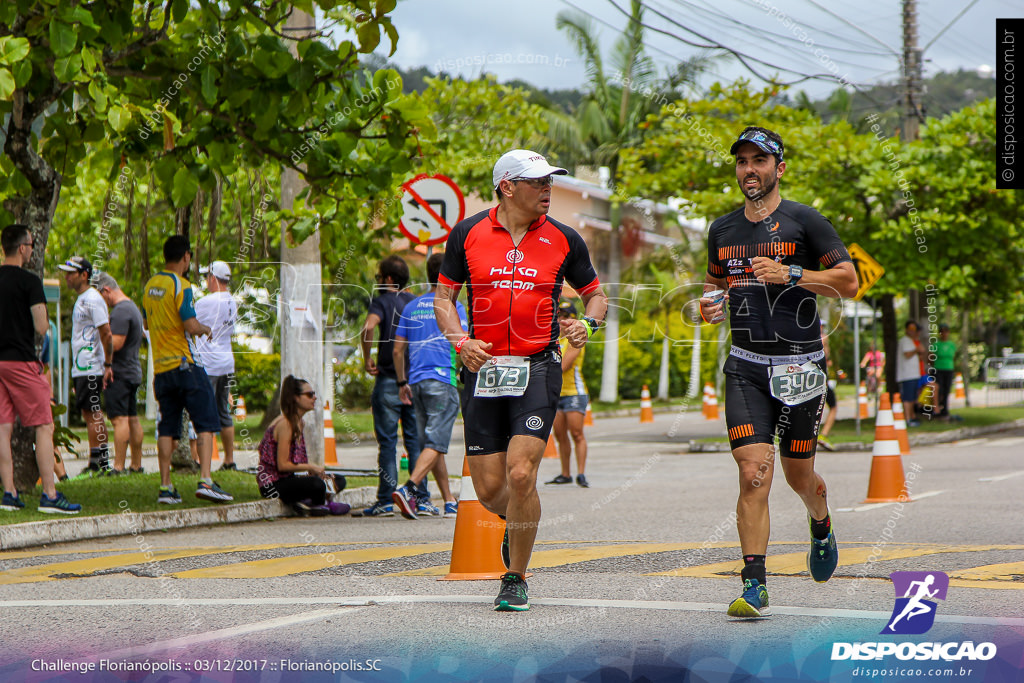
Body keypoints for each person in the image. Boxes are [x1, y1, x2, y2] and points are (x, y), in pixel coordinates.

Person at [435, 149, 608, 611]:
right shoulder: (468, 233)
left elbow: (597, 298)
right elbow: (443, 299)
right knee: (492, 488)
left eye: (551, 181)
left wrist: (585, 327)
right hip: (483, 370)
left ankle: (515, 577)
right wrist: (460, 341)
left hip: (538, 366)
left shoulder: (565, 239)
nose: (547, 189)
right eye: (537, 182)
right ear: (507, 186)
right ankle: (517, 525)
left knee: (521, 472)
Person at [700, 127, 858, 618]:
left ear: (779, 168)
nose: (750, 169)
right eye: (743, 161)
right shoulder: (722, 230)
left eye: (759, 161)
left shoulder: (806, 222)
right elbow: (712, 286)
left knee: (800, 476)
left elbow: (848, 283)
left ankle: (821, 522)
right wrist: (710, 304)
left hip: (801, 367)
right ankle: (754, 584)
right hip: (746, 366)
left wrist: (793, 273)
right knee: (753, 473)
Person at [142, 235, 232, 505]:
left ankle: (166, 486)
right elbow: (190, 324)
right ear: (186, 257)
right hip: (186, 365)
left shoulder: (150, 286)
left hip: (161, 369)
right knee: (206, 420)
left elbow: (147, 324)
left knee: (167, 427)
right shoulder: (181, 284)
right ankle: (205, 480)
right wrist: (205, 329)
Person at [0, 224, 81, 513]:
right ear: (22, 248)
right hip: (21, 361)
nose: (32, 250)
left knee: (3, 427)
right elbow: (41, 326)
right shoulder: (29, 282)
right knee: (45, 424)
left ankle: (9, 493)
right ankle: (49, 493)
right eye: (31, 245)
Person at [391, 253, 467, 520]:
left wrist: (402, 381)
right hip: (442, 380)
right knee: (436, 442)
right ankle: (410, 489)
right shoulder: (454, 306)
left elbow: (398, 350)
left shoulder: (410, 307)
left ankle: (448, 501)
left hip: (416, 383)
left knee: (433, 444)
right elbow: (463, 343)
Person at [357, 255, 422, 517]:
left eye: (380, 276)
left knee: (387, 443)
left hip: (387, 380)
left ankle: (385, 499)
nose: (378, 280)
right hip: (413, 380)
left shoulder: (381, 301)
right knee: (415, 442)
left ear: (389, 279)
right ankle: (418, 497)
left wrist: (366, 356)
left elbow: (368, 327)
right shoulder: (413, 302)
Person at [257, 375, 349, 516]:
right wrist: (311, 467)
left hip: (290, 479)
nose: (314, 398)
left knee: (338, 480)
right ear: (295, 398)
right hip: (274, 484)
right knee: (316, 484)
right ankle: (318, 503)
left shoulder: (299, 423)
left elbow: (295, 462)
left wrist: (310, 472)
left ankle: (311, 503)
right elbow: (283, 465)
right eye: (309, 394)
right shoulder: (285, 424)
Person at [58, 255, 113, 474]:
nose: (67, 277)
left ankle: (98, 463)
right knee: (90, 413)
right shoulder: (82, 299)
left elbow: (106, 333)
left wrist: (107, 365)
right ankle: (100, 461)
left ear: (84, 275)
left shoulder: (92, 298)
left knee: (93, 413)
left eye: (71, 273)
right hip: (82, 367)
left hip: (90, 367)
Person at [94, 272, 146, 475]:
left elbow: (116, 342)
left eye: (100, 297)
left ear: (106, 291)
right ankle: (136, 464)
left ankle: (118, 466)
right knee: (132, 419)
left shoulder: (121, 311)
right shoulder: (132, 307)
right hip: (132, 370)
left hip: (120, 373)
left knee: (119, 420)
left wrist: (101, 338)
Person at [194, 260, 239, 471]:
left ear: (213, 278)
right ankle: (229, 460)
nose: (205, 282)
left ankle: (202, 463)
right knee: (224, 412)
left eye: (206, 277)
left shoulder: (207, 302)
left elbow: (189, 323)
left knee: (204, 412)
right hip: (226, 363)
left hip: (209, 365)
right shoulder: (232, 301)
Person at [546, 298, 591, 487]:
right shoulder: (553, 340)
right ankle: (566, 474)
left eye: (565, 317)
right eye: (558, 317)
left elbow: (563, 366)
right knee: (560, 434)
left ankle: (581, 474)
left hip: (574, 392)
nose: (560, 321)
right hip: (557, 393)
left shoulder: (575, 340)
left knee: (577, 433)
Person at [897, 321, 926, 426]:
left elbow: (921, 353)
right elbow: (907, 354)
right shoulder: (905, 341)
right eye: (911, 329)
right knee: (907, 398)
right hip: (907, 374)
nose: (913, 332)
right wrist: (917, 349)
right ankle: (908, 418)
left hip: (914, 374)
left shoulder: (913, 341)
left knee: (913, 397)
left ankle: (912, 416)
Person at [816, 321, 837, 452]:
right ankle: (823, 434)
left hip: (810, 377)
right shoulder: (823, 338)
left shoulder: (803, 338)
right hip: (821, 377)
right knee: (833, 406)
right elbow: (826, 355)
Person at [934, 324, 957, 419]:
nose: (944, 333)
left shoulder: (951, 344)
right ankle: (938, 407)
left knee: (947, 389)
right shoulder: (936, 344)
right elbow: (931, 357)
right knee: (940, 389)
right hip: (939, 369)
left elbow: (953, 356)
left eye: (946, 331)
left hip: (949, 369)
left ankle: (945, 408)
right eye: (942, 331)